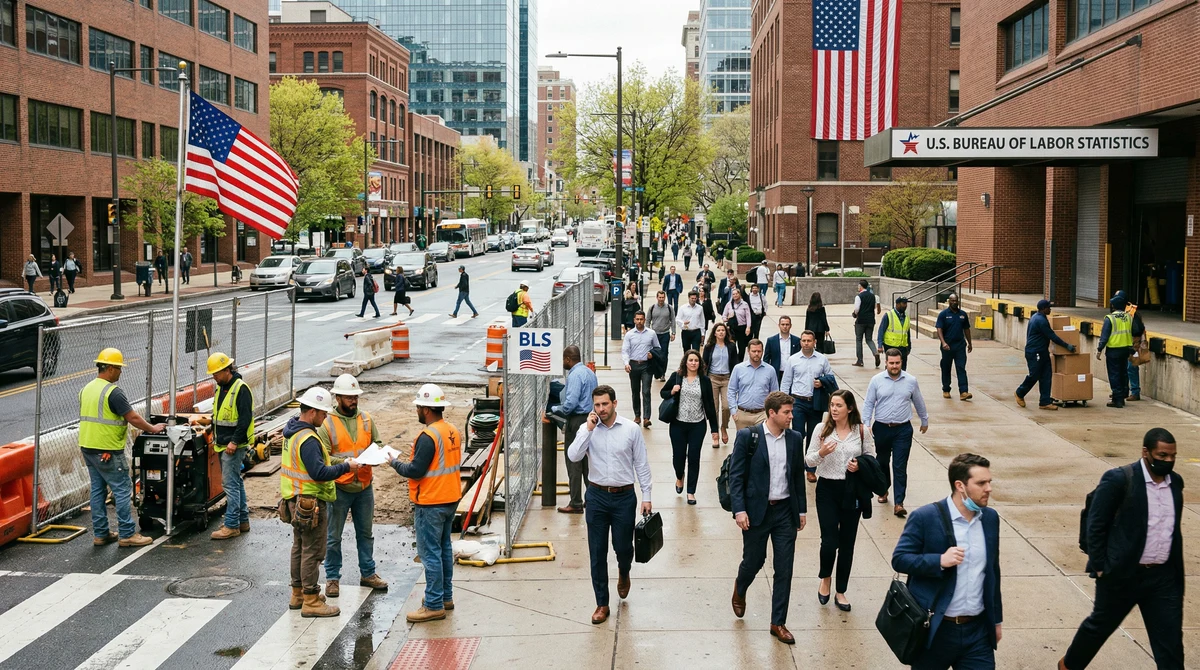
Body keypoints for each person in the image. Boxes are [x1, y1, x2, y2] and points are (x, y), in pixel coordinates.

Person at [1061, 428, 1184, 670]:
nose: (1168, 461)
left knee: (1170, 643)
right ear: (1145, 452)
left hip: (1163, 579)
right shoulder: (1119, 479)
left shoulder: (1175, 483)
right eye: (1162, 456)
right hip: (1122, 575)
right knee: (1099, 627)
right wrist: (1100, 567)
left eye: (1172, 456)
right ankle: (1068, 666)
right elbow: (1096, 525)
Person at [892, 453, 1003, 669]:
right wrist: (940, 561)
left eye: (989, 482)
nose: (988, 488)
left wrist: (996, 620)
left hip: (977, 632)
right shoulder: (925, 517)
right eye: (981, 483)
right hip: (936, 631)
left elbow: (992, 573)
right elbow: (900, 559)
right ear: (960, 486)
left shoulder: (990, 518)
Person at [567, 385, 653, 625]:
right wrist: (587, 429)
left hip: (624, 497)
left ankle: (624, 571)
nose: (601, 409)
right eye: (597, 405)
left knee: (624, 548)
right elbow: (573, 455)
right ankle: (602, 603)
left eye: (605, 404)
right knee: (597, 552)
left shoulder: (631, 429)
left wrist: (646, 495)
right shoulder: (588, 430)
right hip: (596, 496)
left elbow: (642, 464)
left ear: (614, 403)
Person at [729, 391, 808, 644]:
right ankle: (740, 587)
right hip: (756, 511)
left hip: (785, 511)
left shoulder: (795, 439)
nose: (791, 416)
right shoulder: (748, 437)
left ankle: (778, 622)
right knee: (754, 560)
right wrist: (739, 510)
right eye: (786, 412)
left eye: (791, 412)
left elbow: (797, 476)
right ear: (772, 413)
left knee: (784, 568)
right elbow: (736, 476)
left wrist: (802, 510)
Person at [385, 384, 463, 622]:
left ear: (427, 409)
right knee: (444, 551)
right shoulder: (450, 430)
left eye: (419, 407)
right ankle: (444, 596)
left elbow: (416, 471)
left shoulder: (428, 436)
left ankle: (433, 604)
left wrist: (395, 463)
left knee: (430, 554)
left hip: (431, 501)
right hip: (450, 498)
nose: (417, 410)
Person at [280, 386, 359, 617]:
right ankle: (311, 600)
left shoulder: (292, 432)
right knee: (312, 551)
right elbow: (319, 473)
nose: (325, 418)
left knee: (299, 548)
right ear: (312, 412)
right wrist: (346, 467)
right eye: (323, 413)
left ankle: (298, 594)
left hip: (294, 498)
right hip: (309, 501)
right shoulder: (309, 439)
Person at [80, 348, 165, 548]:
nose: (120, 372)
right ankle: (127, 533)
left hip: (88, 447)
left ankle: (101, 534)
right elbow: (132, 417)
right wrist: (152, 429)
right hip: (107, 449)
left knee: (98, 490)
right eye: (118, 368)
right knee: (122, 489)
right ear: (109, 368)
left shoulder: (87, 388)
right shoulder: (113, 392)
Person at [318, 374, 389, 597]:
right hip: (340, 488)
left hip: (364, 487)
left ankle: (368, 573)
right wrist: (348, 465)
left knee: (365, 533)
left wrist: (375, 454)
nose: (353, 401)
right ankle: (332, 578)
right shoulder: (326, 423)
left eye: (355, 397)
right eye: (348, 397)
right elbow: (324, 457)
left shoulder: (366, 419)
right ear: (337, 398)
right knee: (333, 536)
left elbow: (377, 443)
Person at [806, 389, 874, 612]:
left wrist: (859, 466)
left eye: (838, 406)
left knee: (847, 543)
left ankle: (841, 590)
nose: (834, 410)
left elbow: (871, 459)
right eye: (832, 405)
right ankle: (825, 578)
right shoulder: (821, 429)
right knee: (829, 541)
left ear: (850, 408)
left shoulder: (862, 431)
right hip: (827, 488)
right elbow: (808, 459)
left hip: (851, 490)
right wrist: (822, 453)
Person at [863, 348, 929, 518]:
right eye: (891, 363)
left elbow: (919, 401)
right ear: (886, 363)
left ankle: (899, 502)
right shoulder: (876, 380)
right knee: (882, 462)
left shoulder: (911, 381)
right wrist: (866, 424)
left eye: (897, 363)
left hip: (903, 429)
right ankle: (883, 489)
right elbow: (869, 403)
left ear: (901, 362)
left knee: (900, 466)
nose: (894, 366)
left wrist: (924, 419)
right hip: (882, 428)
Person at [661, 350, 719, 504]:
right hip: (678, 424)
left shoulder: (705, 381)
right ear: (685, 362)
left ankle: (691, 491)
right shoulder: (677, 376)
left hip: (697, 425)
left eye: (696, 360)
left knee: (694, 458)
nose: (693, 363)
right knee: (678, 458)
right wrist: (672, 391)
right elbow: (663, 393)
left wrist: (714, 429)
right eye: (691, 360)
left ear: (700, 363)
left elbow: (710, 406)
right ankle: (680, 476)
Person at [207, 352, 254, 540]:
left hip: (233, 445)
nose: (214, 377)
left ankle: (232, 525)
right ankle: (242, 520)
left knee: (230, 484)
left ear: (227, 370)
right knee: (236, 481)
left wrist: (234, 441)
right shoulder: (222, 388)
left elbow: (244, 419)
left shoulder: (240, 389)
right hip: (223, 444)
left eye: (216, 373)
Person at [550, 345, 599, 514]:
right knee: (587, 462)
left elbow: (570, 404)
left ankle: (576, 502)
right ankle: (590, 499)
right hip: (589, 419)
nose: (563, 362)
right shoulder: (589, 373)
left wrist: (555, 410)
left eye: (564, 359)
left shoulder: (575, 375)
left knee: (573, 461)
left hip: (577, 420)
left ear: (569, 359)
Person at [781, 330, 833, 481]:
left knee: (813, 435)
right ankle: (796, 466)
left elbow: (830, 378)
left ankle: (810, 468)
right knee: (797, 434)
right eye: (803, 340)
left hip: (815, 402)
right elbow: (786, 382)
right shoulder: (793, 359)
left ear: (814, 342)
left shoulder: (822, 359)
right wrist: (784, 402)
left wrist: (822, 382)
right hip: (797, 402)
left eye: (809, 341)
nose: (806, 343)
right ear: (800, 342)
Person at [1015, 300, 1077, 411]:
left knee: (1046, 375)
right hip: (1035, 352)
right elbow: (1052, 336)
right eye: (1049, 308)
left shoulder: (1038, 317)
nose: (1050, 309)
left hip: (1042, 351)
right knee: (1035, 375)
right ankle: (1020, 392)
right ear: (1043, 309)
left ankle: (1045, 401)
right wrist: (1067, 346)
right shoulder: (1040, 320)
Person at [1095, 292, 1139, 408]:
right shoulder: (1129, 317)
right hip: (1125, 350)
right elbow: (1135, 331)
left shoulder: (1110, 318)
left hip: (1113, 351)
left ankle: (1117, 399)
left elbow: (1104, 336)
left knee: (1114, 375)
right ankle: (1122, 395)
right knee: (1123, 373)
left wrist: (1099, 349)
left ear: (1113, 306)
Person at [727, 339, 780, 430]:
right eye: (754, 351)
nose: (756, 354)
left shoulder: (770, 370)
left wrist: (772, 413)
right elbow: (731, 390)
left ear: (762, 352)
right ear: (748, 351)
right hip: (742, 414)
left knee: (762, 443)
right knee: (743, 443)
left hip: (762, 414)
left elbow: (775, 393)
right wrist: (733, 411)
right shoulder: (738, 369)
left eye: (759, 351)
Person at [703, 322, 739, 447]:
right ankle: (715, 434)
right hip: (712, 378)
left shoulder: (731, 346)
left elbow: (736, 364)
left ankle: (724, 426)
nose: (721, 332)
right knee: (714, 409)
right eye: (718, 330)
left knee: (726, 406)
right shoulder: (709, 347)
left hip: (727, 378)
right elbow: (704, 364)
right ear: (714, 333)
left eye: (723, 330)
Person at [622, 311, 658, 427]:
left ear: (645, 320)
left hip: (646, 366)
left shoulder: (651, 334)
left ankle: (646, 418)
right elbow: (625, 351)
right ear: (634, 320)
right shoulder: (629, 335)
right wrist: (626, 363)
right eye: (637, 319)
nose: (639, 321)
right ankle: (637, 415)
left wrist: (652, 354)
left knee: (646, 391)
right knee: (635, 391)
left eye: (641, 319)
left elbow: (658, 348)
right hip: (633, 365)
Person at [936, 293, 974, 400]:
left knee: (961, 367)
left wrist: (970, 343)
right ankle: (946, 389)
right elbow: (939, 329)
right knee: (946, 367)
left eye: (956, 301)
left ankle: (964, 391)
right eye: (952, 301)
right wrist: (943, 342)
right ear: (949, 302)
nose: (954, 302)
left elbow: (966, 329)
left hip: (960, 346)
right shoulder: (943, 314)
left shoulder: (963, 314)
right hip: (947, 346)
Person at [1114, 291, 1147, 401]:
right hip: (1124, 342)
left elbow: (1138, 329)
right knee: (1123, 368)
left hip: (1133, 343)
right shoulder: (1122, 311)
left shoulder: (1132, 313)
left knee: (1131, 367)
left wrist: (1141, 343)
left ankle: (1135, 392)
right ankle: (1124, 391)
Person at [647, 291, 676, 381]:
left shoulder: (669, 308)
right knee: (654, 354)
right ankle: (656, 372)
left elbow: (673, 320)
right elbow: (647, 320)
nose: (661, 299)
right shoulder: (652, 308)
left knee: (664, 354)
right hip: (654, 334)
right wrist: (647, 332)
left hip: (665, 334)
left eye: (663, 297)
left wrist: (673, 333)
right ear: (657, 297)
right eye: (659, 297)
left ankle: (663, 373)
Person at [877, 296, 912, 370]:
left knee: (902, 369)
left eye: (906, 303)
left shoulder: (907, 317)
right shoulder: (889, 315)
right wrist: (880, 345)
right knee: (891, 367)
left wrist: (909, 347)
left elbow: (908, 333)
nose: (905, 306)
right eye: (903, 303)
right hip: (890, 346)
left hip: (903, 347)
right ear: (897, 304)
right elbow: (881, 330)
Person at [764, 315, 801, 384]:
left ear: (790, 326)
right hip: (777, 373)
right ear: (779, 325)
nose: (785, 327)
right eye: (783, 324)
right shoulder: (771, 340)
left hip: (792, 373)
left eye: (787, 324)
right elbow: (766, 358)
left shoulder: (797, 341)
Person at [852, 280, 880, 367]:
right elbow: (875, 307)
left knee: (859, 340)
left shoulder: (859, 296)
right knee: (869, 339)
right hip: (871, 320)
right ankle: (875, 352)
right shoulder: (873, 296)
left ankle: (860, 360)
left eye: (858, 285)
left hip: (861, 321)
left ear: (861, 286)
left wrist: (854, 314)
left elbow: (857, 309)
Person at [723, 288, 752, 360]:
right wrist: (727, 319)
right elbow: (724, 316)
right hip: (732, 329)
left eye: (736, 294)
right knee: (731, 346)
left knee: (741, 348)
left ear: (739, 294)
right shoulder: (729, 304)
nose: (735, 295)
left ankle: (740, 361)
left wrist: (748, 327)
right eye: (733, 294)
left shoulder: (745, 304)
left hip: (741, 328)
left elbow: (748, 317)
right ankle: (733, 361)